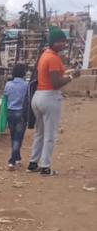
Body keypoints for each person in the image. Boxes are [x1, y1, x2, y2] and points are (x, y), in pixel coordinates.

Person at [28, 28, 81, 176]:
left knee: (40, 132)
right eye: (62, 42)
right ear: (54, 42)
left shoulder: (45, 55)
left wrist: (68, 73)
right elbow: (56, 82)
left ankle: (33, 163)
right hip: (49, 97)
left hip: (38, 96)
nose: (64, 44)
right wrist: (72, 77)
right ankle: (45, 167)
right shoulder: (54, 58)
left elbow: (52, 76)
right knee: (50, 135)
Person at [3, 63, 29, 170]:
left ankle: (17, 158)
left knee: (13, 137)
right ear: (24, 73)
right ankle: (12, 160)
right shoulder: (26, 85)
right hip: (21, 113)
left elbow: (5, 96)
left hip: (10, 112)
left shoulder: (8, 84)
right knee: (18, 138)